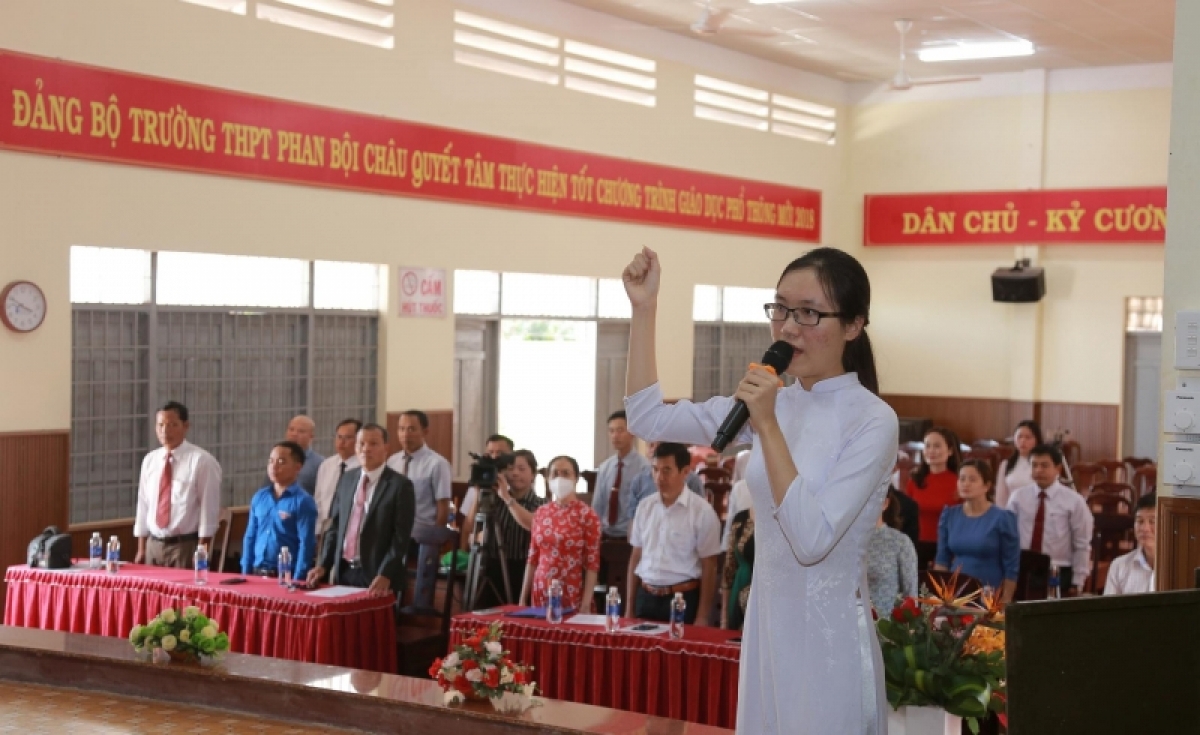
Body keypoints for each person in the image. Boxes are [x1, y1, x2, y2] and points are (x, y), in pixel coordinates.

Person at [623, 245, 897, 733]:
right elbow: (648, 419)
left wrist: (766, 424)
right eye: (781, 309)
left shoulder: (872, 420)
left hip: (829, 643)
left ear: (853, 326)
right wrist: (644, 310)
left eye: (809, 313)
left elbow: (812, 540)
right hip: (768, 632)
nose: (789, 327)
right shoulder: (772, 403)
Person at [307, 424, 415, 596]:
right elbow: (335, 526)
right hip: (344, 570)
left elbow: (400, 537)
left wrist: (386, 572)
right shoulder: (347, 479)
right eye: (361, 443)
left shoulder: (400, 485)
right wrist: (323, 564)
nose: (366, 449)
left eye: (373, 444)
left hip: (377, 574)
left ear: (386, 448)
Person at [626, 442, 722, 625]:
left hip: (682, 599)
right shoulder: (645, 507)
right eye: (655, 470)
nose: (659, 477)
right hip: (646, 597)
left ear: (685, 472)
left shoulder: (702, 511)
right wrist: (629, 608)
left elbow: (710, 566)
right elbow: (635, 556)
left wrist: (702, 616)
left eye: (667, 470)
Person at [134, 401, 223, 569]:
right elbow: (143, 504)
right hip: (153, 544)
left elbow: (208, 510)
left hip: (185, 546)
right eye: (160, 425)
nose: (165, 431)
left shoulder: (202, 461)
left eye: (172, 425)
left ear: (186, 426)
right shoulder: (150, 460)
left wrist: (202, 551)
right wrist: (141, 547)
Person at [1008, 445, 1094, 595]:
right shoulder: (1018, 497)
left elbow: (1082, 543)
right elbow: (1007, 535)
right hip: (1022, 568)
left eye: (1044, 465)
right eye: (1034, 465)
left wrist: (1078, 581)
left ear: (1058, 468)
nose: (1038, 470)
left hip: (1058, 570)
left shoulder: (1074, 501)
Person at [520, 455, 601, 613]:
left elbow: (592, 564)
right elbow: (532, 558)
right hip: (541, 590)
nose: (560, 478)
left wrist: (585, 604)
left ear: (576, 478)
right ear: (548, 478)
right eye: (555, 474)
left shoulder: (587, 515)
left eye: (566, 473)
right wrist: (523, 597)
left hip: (571, 592)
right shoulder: (541, 513)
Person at [933, 460, 1020, 603]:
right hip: (954, 593)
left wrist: (1006, 600)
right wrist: (939, 596)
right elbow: (942, 560)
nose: (965, 483)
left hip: (988, 593)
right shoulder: (949, 515)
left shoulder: (1003, 518)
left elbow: (1011, 566)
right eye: (962, 479)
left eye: (972, 480)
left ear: (986, 485)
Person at [477, 449, 546, 607]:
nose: (515, 473)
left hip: (525, 571)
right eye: (510, 469)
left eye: (522, 469)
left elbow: (533, 525)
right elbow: (476, 533)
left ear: (533, 474)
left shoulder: (542, 504)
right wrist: (480, 490)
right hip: (494, 569)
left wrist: (507, 498)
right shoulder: (494, 501)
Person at [242, 441, 318, 580]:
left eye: (281, 461)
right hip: (256, 572)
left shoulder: (303, 501)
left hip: (284, 575)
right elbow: (250, 536)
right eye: (271, 461)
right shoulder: (260, 497)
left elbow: (306, 543)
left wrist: (297, 578)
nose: (274, 466)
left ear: (297, 467)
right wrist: (245, 572)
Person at [386, 410, 451, 529]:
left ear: (425, 431)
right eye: (401, 429)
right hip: (393, 531)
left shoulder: (437, 463)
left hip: (423, 533)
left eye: (411, 429)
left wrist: (434, 538)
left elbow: (443, 506)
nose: (405, 434)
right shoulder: (392, 462)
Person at [591, 410, 651, 538]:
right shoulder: (605, 467)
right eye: (611, 431)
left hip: (632, 536)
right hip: (605, 534)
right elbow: (597, 505)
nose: (615, 436)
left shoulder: (644, 468)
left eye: (620, 430)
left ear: (632, 433)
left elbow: (646, 507)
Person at [995, 420, 1072, 508]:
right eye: (1019, 437)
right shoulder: (1006, 464)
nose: (1023, 441)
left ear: (1037, 440)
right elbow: (1000, 498)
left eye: (1028, 437)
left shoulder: (1045, 464)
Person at [866, 488, 918, 615]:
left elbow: (911, 596)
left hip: (886, 627)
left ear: (885, 503)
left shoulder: (900, 542)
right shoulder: (843, 543)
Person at [905, 427, 962, 543]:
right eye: (927, 446)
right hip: (916, 544)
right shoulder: (915, 480)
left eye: (937, 446)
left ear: (950, 450)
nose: (931, 451)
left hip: (949, 544)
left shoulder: (960, 481)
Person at [459, 434, 515, 551]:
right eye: (490, 452)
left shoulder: (516, 484)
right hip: (480, 546)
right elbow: (468, 526)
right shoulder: (479, 483)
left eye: (499, 453)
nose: (494, 457)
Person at [313, 418, 362, 547]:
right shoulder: (326, 465)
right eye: (339, 437)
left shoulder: (363, 468)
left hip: (351, 532)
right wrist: (318, 530)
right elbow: (318, 500)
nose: (342, 442)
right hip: (326, 530)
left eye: (348, 438)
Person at [1105, 493, 1157, 595]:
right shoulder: (1119, 566)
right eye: (1140, 521)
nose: (1144, 529)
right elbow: (1107, 609)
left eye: (1152, 521)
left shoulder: (1180, 567)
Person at [721, 502, 754, 631]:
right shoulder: (740, 519)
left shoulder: (783, 519)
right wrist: (724, 618)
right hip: (738, 597)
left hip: (769, 604)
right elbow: (729, 567)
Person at [284, 415, 324, 494]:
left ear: (311, 436)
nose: (294, 434)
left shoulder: (320, 464)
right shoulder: (277, 458)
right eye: (291, 429)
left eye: (301, 431)